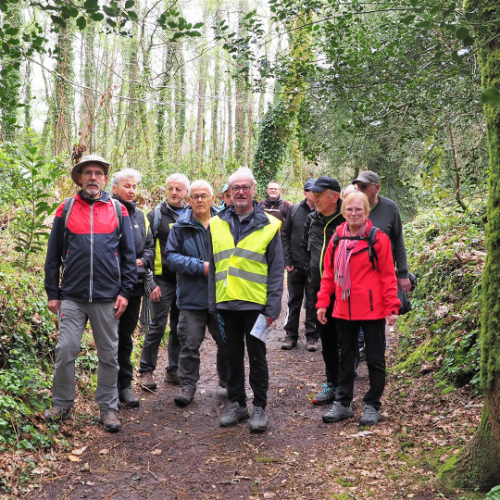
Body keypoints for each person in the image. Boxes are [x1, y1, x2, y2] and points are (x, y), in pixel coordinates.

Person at [44, 154, 137, 433]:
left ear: (105, 179)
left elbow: (128, 256)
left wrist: (125, 292)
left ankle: (108, 408)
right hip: (72, 296)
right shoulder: (67, 208)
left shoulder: (118, 209)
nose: (93, 177)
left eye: (98, 173)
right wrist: (53, 292)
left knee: (109, 354)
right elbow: (53, 255)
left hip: (108, 297)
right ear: (80, 178)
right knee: (65, 349)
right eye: (87, 173)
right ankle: (62, 404)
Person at [208, 167, 284, 433]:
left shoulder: (270, 225)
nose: (240, 192)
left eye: (245, 187)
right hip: (226, 304)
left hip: (256, 306)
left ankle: (259, 406)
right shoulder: (215, 223)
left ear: (253, 191)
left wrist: (272, 308)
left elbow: (277, 270)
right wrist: (213, 303)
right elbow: (213, 267)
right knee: (231, 356)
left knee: (257, 355)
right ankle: (237, 403)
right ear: (229, 192)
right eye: (236, 188)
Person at [316, 191, 400, 426]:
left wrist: (392, 306)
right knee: (346, 358)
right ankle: (343, 403)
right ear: (344, 212)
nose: (354, 213)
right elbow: (329, 274)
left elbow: (388, 275)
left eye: (359, 209)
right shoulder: (337, 238)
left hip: (372, 310)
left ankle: (373, 405)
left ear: (366, 212)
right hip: (343, 308)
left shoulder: (377, 238)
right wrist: (322, 303)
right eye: (350, 209)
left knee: (375, 359)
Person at [165, 180, 228, 407]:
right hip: (191, 297)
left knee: (226, 342)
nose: (200, 200)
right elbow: (171, 257)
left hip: (222, 296)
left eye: (204, 196)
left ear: (213, 198)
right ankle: (188, 386)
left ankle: (228, 380)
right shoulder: (180, 227)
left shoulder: (226, 222)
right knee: (189, 344)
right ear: (189, 200)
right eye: (195, 196)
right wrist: (201, 267)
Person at [138, 173, 189, 391]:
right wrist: (151, 284)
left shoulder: (192, 214)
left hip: (185, 280)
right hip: (162, 281)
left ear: (186, 192)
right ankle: (146, 371)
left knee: (179, 327)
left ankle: (173, 370)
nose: (174, 192)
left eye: (178, 189)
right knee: (157, 327)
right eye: (170, 188)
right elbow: (146, 251)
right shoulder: (155, 216)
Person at [111, 169, 154, 408]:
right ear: (114, 188)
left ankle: (124, 386)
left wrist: (141, 260)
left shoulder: (140, 215)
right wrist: (125, 263)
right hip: (109, 287)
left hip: (134, 286)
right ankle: (109, 390)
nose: (131, 190)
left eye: (134, 186)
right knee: (110, 338)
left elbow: (149, 245)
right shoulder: (108, 211)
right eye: (126, 186)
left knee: (125, 337)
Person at [302, 177, 345, 406]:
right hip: (319, 291)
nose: (314, 199)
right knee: (327, 340)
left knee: (346, 341)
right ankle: (332, 384)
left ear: (335, 197)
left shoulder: (347, 219)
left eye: (319, 195)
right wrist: (309, 274)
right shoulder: (312, 219)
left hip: (345, 292)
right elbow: (306, 248)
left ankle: (345, 389)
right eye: (314, 194)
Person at [352, 171, 411, 293]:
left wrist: (403, 274)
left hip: (385, 272)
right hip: (358, 275)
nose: (360, 191)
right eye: (357, 187)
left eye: (364, 187)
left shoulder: (389, 208)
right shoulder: (352, 210)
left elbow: (398, 241)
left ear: (377, 188)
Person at [281, 178, 319, 351]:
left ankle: (312, 336)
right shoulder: (294, 210)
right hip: (295, 266)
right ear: (305, 193)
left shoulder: (322, 211)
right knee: (293, 301)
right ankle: (291, 335)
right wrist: (287, 260)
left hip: (314, 267)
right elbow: (285, 235)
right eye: (312, 191)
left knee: (313, 302)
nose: (315, 194)